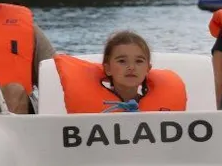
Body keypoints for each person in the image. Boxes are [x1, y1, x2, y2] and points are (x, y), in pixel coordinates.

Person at [53, 30, 187, 113]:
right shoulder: (95, 108)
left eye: (139, 61)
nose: (131, 67)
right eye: (122, 61)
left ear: (148, 69)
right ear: (108, 69)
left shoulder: (160, 109)